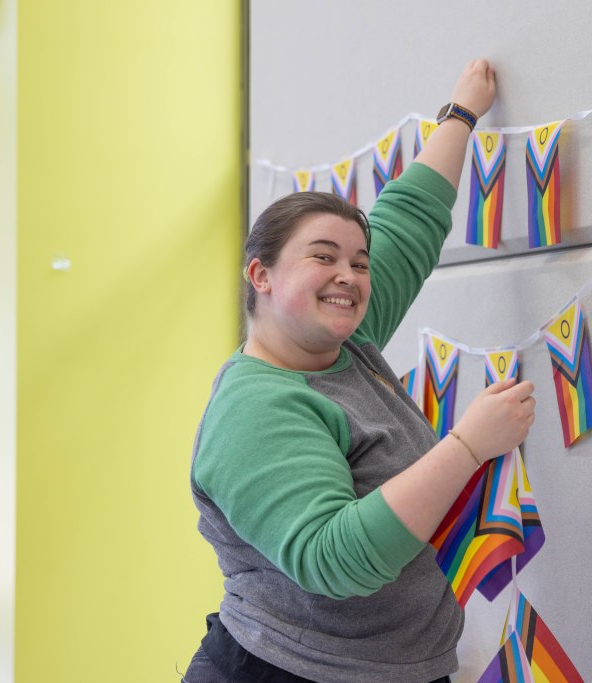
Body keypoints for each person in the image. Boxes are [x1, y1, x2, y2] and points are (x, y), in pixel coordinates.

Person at [183, 59, 536, 683]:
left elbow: (410, 220)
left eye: (359, 262)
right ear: (261, 275)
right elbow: (335, 559)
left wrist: (461, 114)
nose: (348, 275)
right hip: (286, 672)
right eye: (323, 257)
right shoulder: (255, 407)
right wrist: (468, 446)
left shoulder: (346, 340)